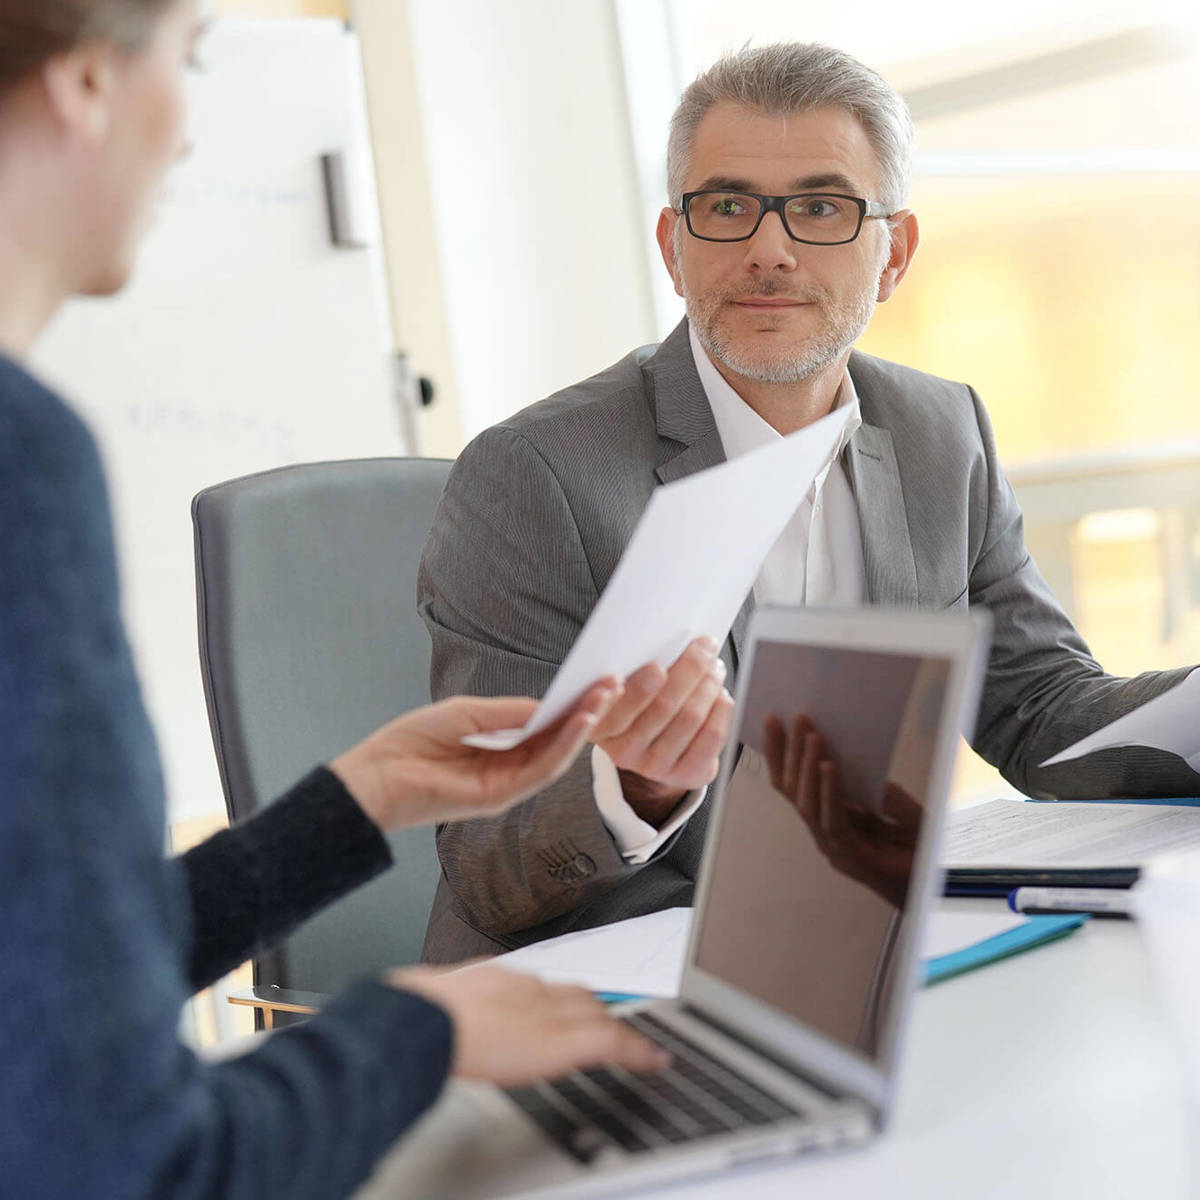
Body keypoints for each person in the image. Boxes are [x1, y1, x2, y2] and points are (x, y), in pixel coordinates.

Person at [0, 2, 668, 1197]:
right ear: (89, 81)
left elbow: (42, 991)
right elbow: (122, 1163)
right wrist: (430, 1031)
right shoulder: (21, 463)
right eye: (191, 59)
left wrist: (363, 800)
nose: (191, 132)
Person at [418, 41, 1200, 962]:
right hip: (613, 987)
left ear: (893, 252)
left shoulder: (940, 432)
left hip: (863, 955)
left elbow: (1041, 709)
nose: (770, 250)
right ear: (674, 246)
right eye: (727, 207)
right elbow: (486, 857)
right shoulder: (535, 474)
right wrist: (635, 786)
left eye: (823, 208)